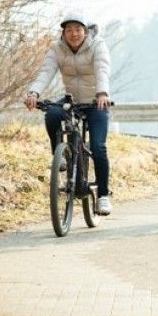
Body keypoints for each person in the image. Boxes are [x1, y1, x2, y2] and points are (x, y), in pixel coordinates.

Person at [24, 12, 113, 215]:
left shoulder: (97, 45)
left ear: (85, 31)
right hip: (72, 100)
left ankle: (103, 196)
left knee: (98, 147)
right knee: (52, 114)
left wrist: (102, 93)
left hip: (95, 101)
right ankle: (60, 154)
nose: (74, 34)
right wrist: (34, 92)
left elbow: (102, 69)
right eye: (69, 30)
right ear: (63, 32)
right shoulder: (57, 48)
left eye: (78, 30)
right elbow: (46, 71)